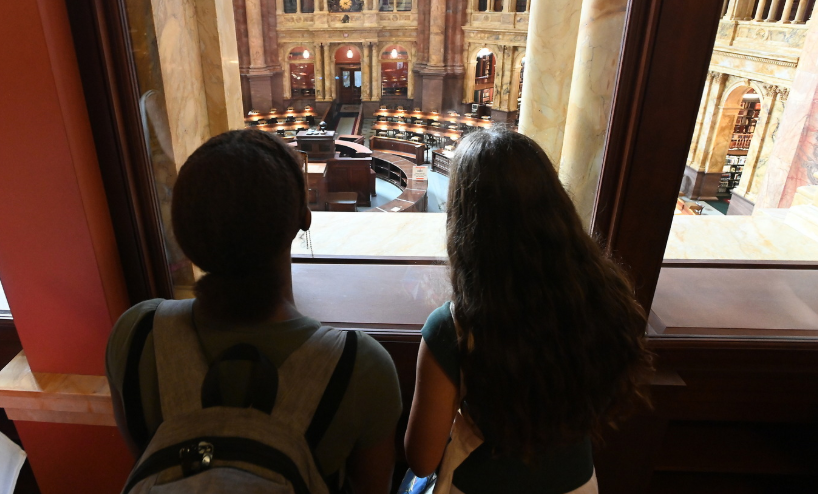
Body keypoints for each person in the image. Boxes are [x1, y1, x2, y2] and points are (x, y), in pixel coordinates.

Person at [107, 130, 402, 494]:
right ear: (303, 217)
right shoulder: (363, 367)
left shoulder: (135, 334)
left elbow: (148, 457)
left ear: (183, 233)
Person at [404, 127, 653, 493]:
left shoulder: (452, 328)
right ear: (555, 203)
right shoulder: (606, 297)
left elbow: (421, 459)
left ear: (464, 221)